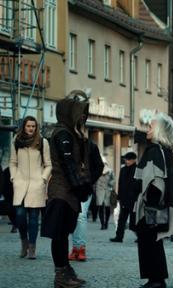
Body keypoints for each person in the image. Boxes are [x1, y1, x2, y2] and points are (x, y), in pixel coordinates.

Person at [41, 90, 93, 287]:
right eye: (80, 113)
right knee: (60, 234)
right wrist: (81, 188)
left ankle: (66, 272)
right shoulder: (62, 133)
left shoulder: (70, 133)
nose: (83, 117)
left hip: (67, 191)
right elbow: (68, 164)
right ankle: (61, 275)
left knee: (63, 233)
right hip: (62, 191)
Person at [133, 112, 173, 288]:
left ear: (159, 131)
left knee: (149, 241)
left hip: (151, 205)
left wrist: (150, 204)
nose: (147, 129)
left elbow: (155, 181)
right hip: (155, 205)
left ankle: (156, 280)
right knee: (153, 241)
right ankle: (156, 278)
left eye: (151, 126)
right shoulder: (164, 151)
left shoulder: (155, 151)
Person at [9, 115, 52, 259]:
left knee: (34, 218)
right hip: (20, 183)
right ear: (24, 127)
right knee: (20, 216)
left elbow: (48, 164)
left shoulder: (43, 142)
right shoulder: (16, 140)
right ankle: (24, 242)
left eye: (33, 126)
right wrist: (14, 177)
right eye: (28, 126)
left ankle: (32, 248)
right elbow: (12, 162)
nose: (31, 129)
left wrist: (43, 179)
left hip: (36, 184)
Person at [68, 140, 104, 261]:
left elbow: (99, 166)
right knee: (73, 216)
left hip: (85, 186)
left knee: (81, 215)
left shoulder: (91, 146)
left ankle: (81, 248)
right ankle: (75, 248)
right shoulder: (68, 143)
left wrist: (90, 180)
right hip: (71, 186)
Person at [110, 152, 138, 243]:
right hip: (124, 198)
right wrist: (119, 196)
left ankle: (140, 236)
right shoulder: (123, 169)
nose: (126, 161)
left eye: (128, 159)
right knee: (121, 219)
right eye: (126, 159)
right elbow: (120, 183)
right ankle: (119, 236)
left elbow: (139, 185)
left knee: (134, 219)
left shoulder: (138, 169)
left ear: (134, 160)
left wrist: (137, 197)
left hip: (134, 199)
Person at [95, 158, 115, 230]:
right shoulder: (96, 170)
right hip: (99, 190)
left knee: (107, 208)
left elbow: (113, 179)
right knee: (100, 207)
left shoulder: (110, 170)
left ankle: (106, 223)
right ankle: (102, 224)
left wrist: (110, 184)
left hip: (107, 190)